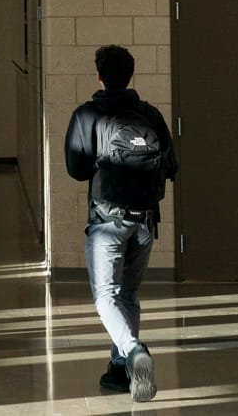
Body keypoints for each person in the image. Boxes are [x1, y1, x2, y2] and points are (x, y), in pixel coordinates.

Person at [63, 44, 178, 402]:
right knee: (128, 294)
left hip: (107, 220)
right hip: (145, 221)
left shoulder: (87, 115)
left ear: (99, 75)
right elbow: (172, 167)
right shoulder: (150, 115)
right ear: (130, 75)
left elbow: (76, 170)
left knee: (105, 297)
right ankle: (119, 370)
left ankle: (132, 351)